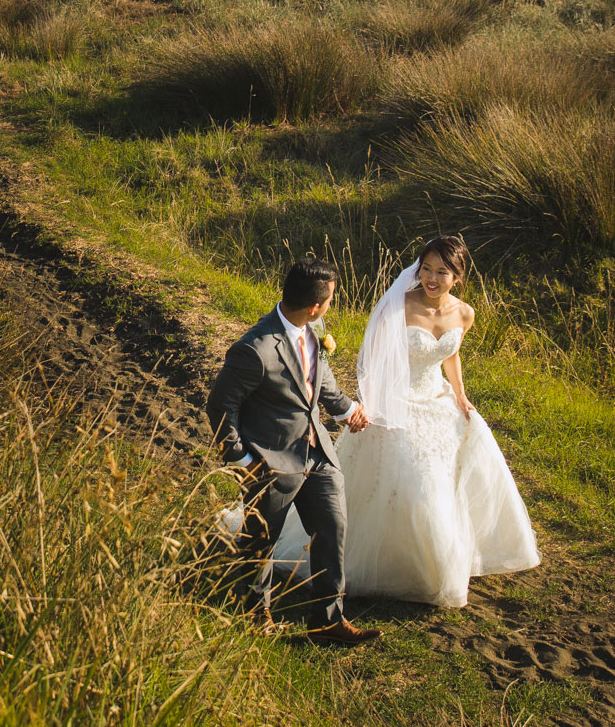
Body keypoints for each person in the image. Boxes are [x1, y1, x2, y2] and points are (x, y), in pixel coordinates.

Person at [270, 235, 538, 607]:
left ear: (457, 276)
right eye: (426, 268)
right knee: (417, 481)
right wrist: (379, 404)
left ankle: (441, 561)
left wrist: (459, 394)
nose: (431, 278)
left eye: (442, 272)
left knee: (447, 478)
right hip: (397, 401)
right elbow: (375, 358)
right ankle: (408, 567)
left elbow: (451, 354)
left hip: (437, 398)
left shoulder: (465, 313)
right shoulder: (400, 305)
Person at [207, 256, 378, 644]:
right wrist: (244, 459)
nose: (330, 306)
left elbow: (322, 387)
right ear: (316, 305)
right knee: (261, 542)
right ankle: (255, 617)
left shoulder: (312, 329)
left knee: (333, 529)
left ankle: (327, 622)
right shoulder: (254, 349)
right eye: (331, 299)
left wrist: (350, 410)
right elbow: (219, 408)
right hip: (271, 461)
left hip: (318, 453)